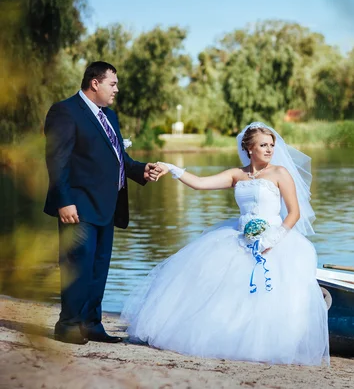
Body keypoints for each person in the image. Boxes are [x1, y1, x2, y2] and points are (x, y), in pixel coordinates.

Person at [121, 122, 330, 366]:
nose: (269, 149)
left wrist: (273, 238)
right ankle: (228, 337)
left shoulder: (280, 173)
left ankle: (270, 343)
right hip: (240, 236)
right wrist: (171, 167)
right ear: (249, 148)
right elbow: (200, 183)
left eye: (271, 145)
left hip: (275, 239)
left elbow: (293, 213)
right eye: (263, 145)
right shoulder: (236, 175)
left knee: (273, 293)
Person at [44, 61, 159, 345]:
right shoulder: (66, 111)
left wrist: (140, 170)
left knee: (98, 268)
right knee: (76, 266)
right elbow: (57, 161)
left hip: (107, 206)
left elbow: (119, 158)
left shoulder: (110, 116)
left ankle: (91, 323)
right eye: (113, 84)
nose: (116, 90)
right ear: (95, 83)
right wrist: (64, 201)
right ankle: (68, 325)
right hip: (78, 206)